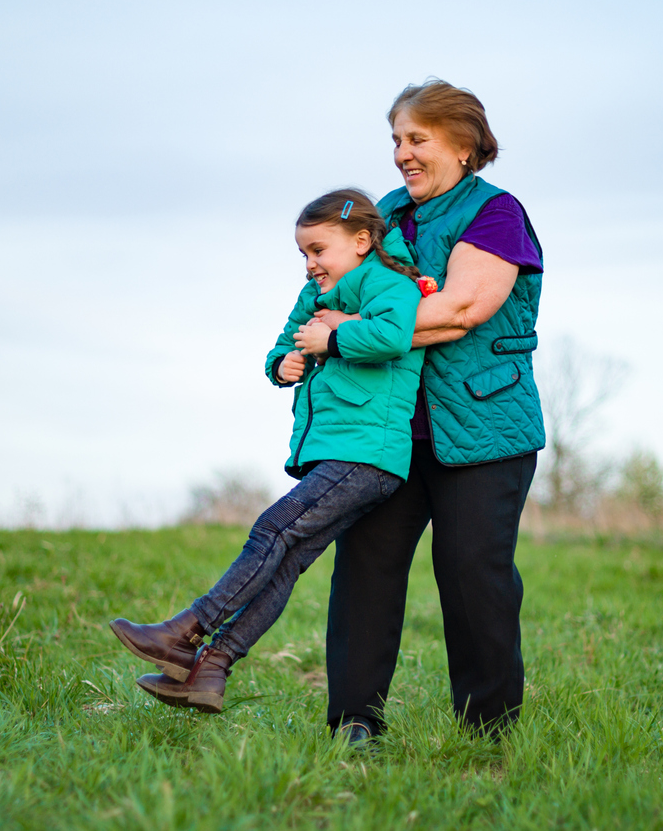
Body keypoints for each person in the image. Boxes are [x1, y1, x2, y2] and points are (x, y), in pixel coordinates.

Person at [108, 189, 427, 714]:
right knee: (284, 562)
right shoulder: (316, 296)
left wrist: (331, 340)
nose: (310, 264)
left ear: (362, 242)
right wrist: (282, 367)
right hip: (338, 451)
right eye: (303, 253)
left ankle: (186, 630)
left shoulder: (392, 284)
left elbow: (394, 337)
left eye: (319, 250)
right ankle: (209, 672)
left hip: (368, 453)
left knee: (273, 529)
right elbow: (283, 343)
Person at [316, 80, 546, 744]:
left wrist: (348, 332)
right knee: (364, 565)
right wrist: (331, 327)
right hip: (388, 425)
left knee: (473, 570)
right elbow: (327, 290)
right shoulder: (380, 214)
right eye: (395, 140)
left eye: (416, 139)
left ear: (462, 143)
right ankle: (354, 720)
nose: (401, 154)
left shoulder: (495, 213)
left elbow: (461, 310)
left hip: (482, 428)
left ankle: (487, 729)